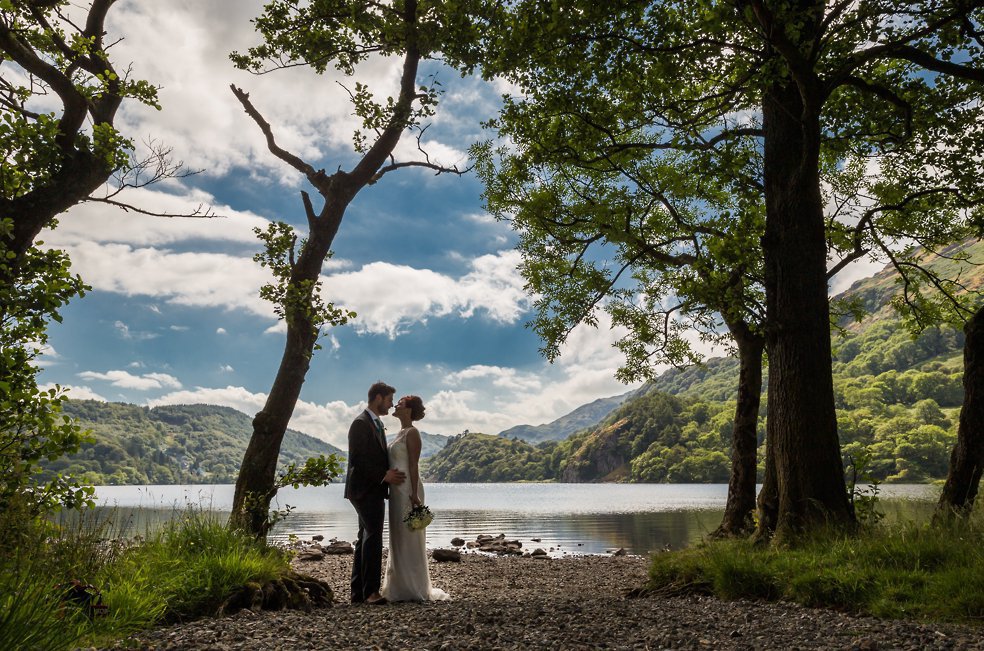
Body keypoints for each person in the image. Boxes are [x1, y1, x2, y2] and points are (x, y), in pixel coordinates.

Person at [381, 395, 450, 602]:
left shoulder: (412, 433)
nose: (395, 405)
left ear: (409, 410)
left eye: (400, 403)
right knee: (397, 535)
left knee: (409, 536)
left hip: (408, 490)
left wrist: (414, 494)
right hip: (396, 491)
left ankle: (413, 587)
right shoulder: (399, 433)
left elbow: (413, 464)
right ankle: (398, 585)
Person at [344, 382, 406, 605]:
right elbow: (358, 460)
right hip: (364, 489)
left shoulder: (376, 423)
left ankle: (358, 593)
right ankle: (371, 592)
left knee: (365, 537)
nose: (390, 405)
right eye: (389, 400)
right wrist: (384, 475)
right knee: (373, 536)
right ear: (378, 398)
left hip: (371, 489)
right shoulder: (360, 423)